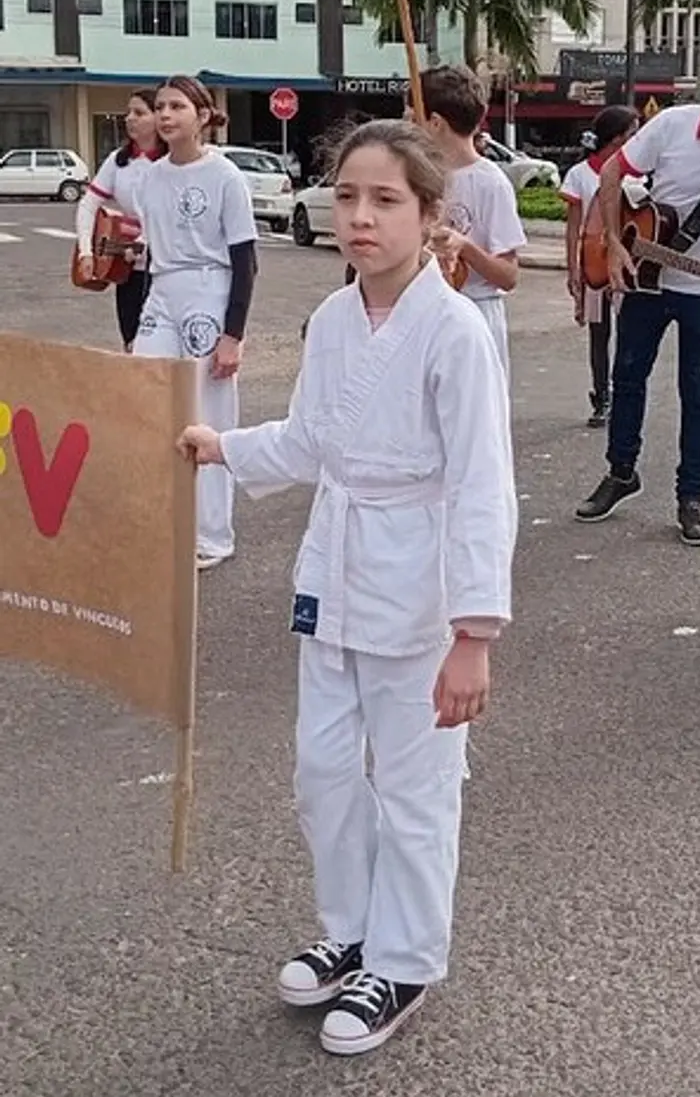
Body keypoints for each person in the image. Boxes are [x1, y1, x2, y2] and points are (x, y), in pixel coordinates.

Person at [177, 119, 517, 1057]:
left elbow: (485, 482)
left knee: (415, 785)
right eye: (347, 197)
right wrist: (223, 450)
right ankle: (356, 927)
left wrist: (474, 631)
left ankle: (406, 958)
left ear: (430, 214)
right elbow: (313, 440)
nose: (361, 218)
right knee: (323, 770)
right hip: (335, 569)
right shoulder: (333, 320)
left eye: (386, 200)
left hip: (421, 578)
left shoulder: (452, 331)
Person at [575, 56, 700, 546]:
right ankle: (621, 471)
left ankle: (691, 497)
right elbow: (611, 172)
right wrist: (617, 243)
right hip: (648, 280)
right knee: (627, 378)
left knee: (698, 394)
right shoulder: (672, 125)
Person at [133, 76, 258, 571]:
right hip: (163, 291)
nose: (165, 115)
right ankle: (165, 521)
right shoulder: (150, 177)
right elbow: (149, 256)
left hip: (211, 287)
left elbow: (245, 258)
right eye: (160, 106)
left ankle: (213, 534)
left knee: (207, 415)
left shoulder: (225, 176)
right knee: (147, 398)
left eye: (177, 106)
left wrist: (233, 334)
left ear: (202, 115)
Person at [416, 66, 527, 378]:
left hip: (477, 314)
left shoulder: (490, 182)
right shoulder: (419, 178)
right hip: (425, 313)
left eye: (412, 119)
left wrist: (464, 247)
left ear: (435, 123)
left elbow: (508, 275)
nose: (406, 127)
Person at [560, 105, 639, 428]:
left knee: (630, 333)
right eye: (633, 133)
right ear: (617, 138)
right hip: (594, 262)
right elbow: (573, 226)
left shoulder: (637, 172)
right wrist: (572, 270)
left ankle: (624, 395)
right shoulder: (581, 174)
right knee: (599, 333)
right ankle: (601, 396)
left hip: (628, 263)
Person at [75, 88, 164, 351]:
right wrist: (86, 252)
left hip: (165, 269)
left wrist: (145, 241)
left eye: (139, 113)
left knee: (160, 347)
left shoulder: (172, 162)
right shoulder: (118, 161)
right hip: (128, 271)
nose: (129, 118)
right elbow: (89, 203)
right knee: (132, 343)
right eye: (128, 113)